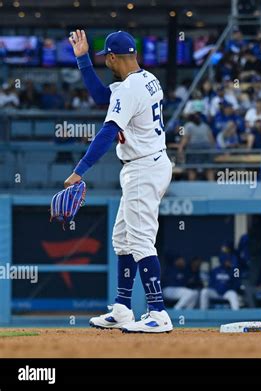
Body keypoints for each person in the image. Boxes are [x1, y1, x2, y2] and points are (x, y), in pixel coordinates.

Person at [64, 30, 173, 333]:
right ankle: (123, 308)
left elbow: (108, 131)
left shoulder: (128, 89)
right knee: (122, 238)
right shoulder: (147, 79)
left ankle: (158, 313)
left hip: (143, 167)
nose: (106, 63)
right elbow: (103, 97)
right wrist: (83, 59)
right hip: (148, 162)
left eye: (105, 59)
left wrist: (80, 170)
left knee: (139, 240)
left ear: (112, 57)